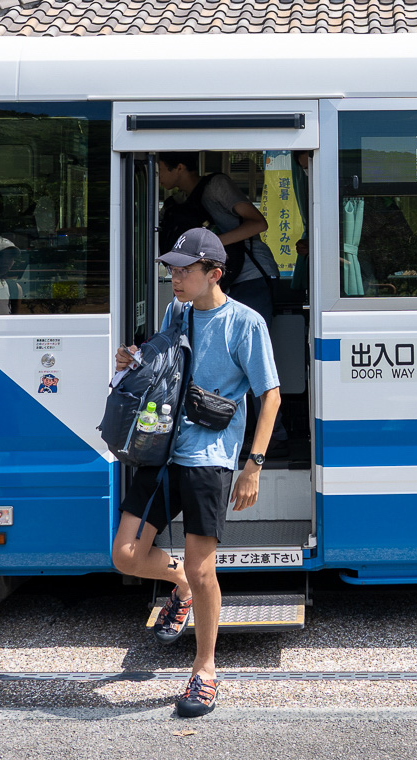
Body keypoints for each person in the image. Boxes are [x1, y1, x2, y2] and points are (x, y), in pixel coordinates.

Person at [110, 228, 280, 719]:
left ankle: (204, 671)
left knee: (205, 566)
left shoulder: (245, 323)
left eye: (185, 270)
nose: (175, 277)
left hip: (210, 457)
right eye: (172, 269)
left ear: (214, 274)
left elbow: (270, 395)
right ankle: (181, 587)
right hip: (161, 449)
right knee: (125, 555)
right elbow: (163, 366)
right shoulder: (175, 313)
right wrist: (134, 361)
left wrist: (254, 464)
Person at [155, 153, 276, 326]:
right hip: (213, 282)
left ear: (179, 168)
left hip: (249, 275)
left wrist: (212, 245)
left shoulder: (216, 186)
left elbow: (259, 223)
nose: (157, 177)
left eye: (160, 169)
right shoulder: (176, 202)